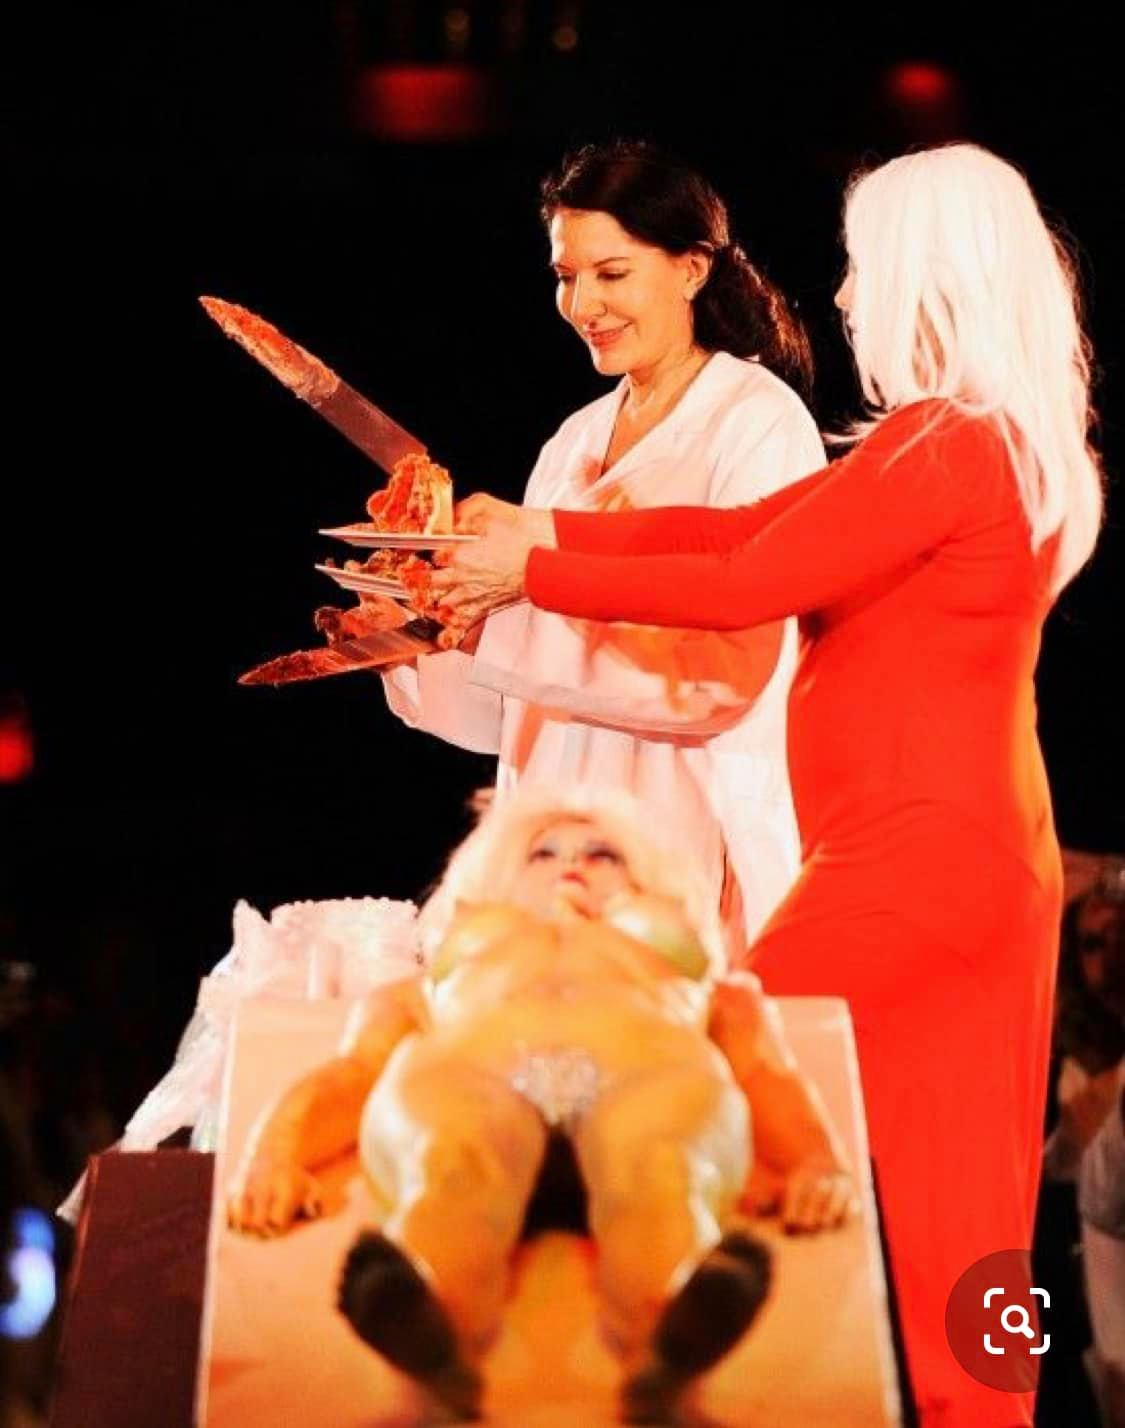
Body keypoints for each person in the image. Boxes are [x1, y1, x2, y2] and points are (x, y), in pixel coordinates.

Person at [432, 143, 1105, 1426]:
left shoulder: (950, 446)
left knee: (695, 1071)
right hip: (976, 866)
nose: (845, 297)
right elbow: (744, 531)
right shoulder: (976, 447)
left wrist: (538, 570)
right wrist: (545, 531)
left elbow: (748, 581)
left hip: (911, 865)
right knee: (967, 1226)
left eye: (862, 267)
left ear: (923, 273)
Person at [227, 785, 853, 1423]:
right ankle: (431, 1323)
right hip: (478, 1073)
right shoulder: (433, 982)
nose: (572, 862)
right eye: (544, 853)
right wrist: (273, 1157)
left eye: (603, 854)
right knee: (452, 1164)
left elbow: (765, 1072)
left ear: (649, 884)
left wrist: (815, 1161)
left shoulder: (703, 985)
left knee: (662, 1167)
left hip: (644, 1069)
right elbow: (353, 1073)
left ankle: (669, 1333)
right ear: (496, 878)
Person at [379, 140, 825, 951]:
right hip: (550, 861)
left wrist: (506, 620)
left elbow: (725, 678)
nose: (583, 304)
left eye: (611, 274)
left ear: (691, 268)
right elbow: (515, 709)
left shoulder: (757, 423)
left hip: (679, 849)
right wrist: (414, 635)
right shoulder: (573, 441)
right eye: (565, 276)